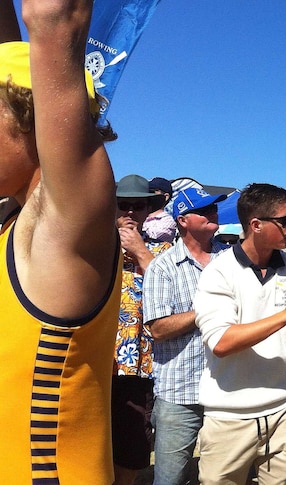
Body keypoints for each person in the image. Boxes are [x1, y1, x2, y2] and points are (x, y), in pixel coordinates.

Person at [0, 0, 121, 482]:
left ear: (33, 123)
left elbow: (55, 17)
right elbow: (8, 47)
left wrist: (51, 30)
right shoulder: (14, 225)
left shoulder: (61, 232)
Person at [194, 183, 286, 484]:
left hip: (285, 411)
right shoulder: (220, 271)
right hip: (230, 416)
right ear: (255, 225)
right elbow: (222, 343)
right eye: (285, 221)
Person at [142, 187, 229, 485]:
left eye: (213, 208)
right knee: (170, 478)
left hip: (228, 389)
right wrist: (205, 310)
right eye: (203, 211)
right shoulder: (162, 267)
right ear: (182, 220)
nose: (212, 214)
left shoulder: (232, 260)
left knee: (226, 477)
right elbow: (158, 329)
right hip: (180, 393)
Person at [114, 174, 173, 485]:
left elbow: (170, 289)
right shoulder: (95, 243)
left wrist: (139, 250)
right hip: (99, 361)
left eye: (138, 206)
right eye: (123, 206)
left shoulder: (163, 251)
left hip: (141, 364)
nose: (130, 213)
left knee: (133, 443)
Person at [144, 176, 177, 243]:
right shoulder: (140, 215)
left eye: (151, 191)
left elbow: (156, 237)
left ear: (166, 197)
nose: (147, 195)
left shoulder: (169, 220)